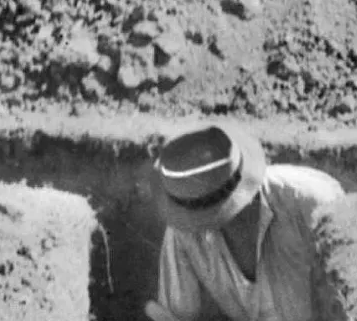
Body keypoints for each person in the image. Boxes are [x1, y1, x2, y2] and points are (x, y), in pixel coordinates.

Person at [145, 122, 346, 321]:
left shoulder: (310, 203)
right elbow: (173, 316)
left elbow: (350, 302)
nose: (200, 225)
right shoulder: (183, 228)